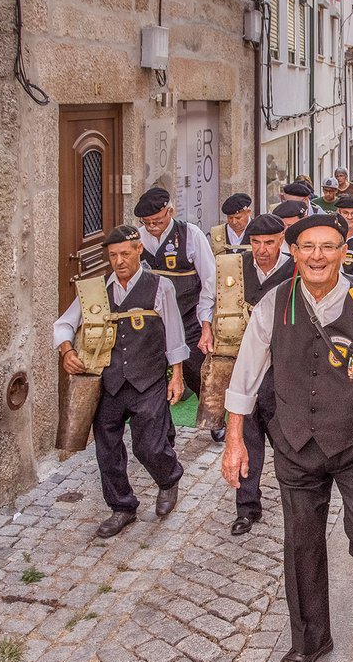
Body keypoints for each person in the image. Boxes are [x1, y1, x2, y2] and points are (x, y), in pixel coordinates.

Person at [221, 213, 353, 662]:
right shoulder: (274, 304)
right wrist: (235, 440)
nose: (317, 256)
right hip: (295, 441)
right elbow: (245, 374)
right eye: (308, 246)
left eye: (328, 247)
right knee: (301, 545)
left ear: (343, 250)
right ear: (294, 252)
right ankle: (310, 639)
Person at [54, 226, 190, 538]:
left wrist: (177, 376)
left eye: (125, 253)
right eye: (113, 255)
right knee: (107, 450)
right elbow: (64, 323)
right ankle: (122, 506)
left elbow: (174, 334)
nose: (119, 260)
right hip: (110, 382)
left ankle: (169, 479)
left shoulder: (160, 286)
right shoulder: (96, 289)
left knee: (148, 446)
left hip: (149, 378)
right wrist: (66, 351)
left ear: (138, 250)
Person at [200, 214, 297, 536]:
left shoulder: (295, 268)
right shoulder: (232, 267)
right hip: (242, 365)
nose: (262, 250)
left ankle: (297, 505)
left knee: (288, 444)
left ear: (281, 240)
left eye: (269, 242)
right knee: (246, 439)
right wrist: (206, 328)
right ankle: (246, 507)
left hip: (283, 369)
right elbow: (207, 299)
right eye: (256, 243)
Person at [133, 188, 221, 441]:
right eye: (147, 223)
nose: (152, 227)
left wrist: (206, 321)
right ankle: (163, 429)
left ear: (169, 212)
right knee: (153, 375)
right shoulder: (138, 239)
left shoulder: (190, 235)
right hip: (155, 320)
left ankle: (214, 418)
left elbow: (209, 280)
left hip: (188, 314)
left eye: (157, 221)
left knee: (197, 369)